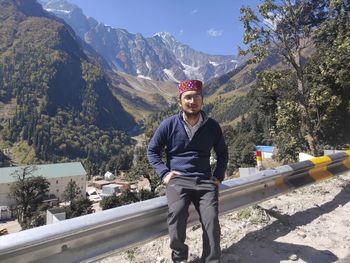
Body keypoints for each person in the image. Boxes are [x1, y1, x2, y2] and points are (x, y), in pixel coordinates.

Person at [147, 79, 228, 263]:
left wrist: (218, 176)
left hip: (205, 181)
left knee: (211, 221)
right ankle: (180, 258)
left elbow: (222, 153)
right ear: (180, 102)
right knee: (177, 213)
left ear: (202, 100)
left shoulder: (212, 126)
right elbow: (152, 151)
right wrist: (164, 173)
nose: (192, 101)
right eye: (188, 97)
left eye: (196, 97)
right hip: (178, 180)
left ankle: (211, 260)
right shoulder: (168, 125)